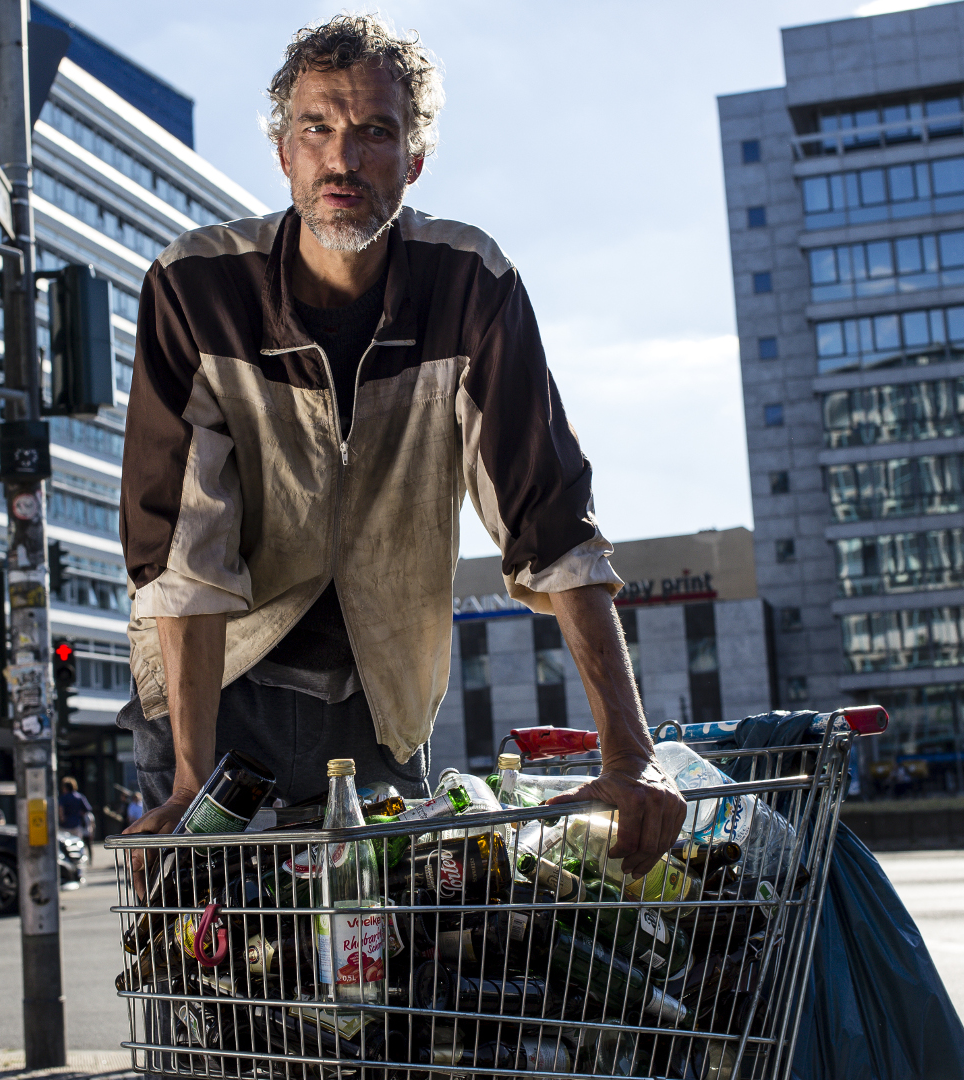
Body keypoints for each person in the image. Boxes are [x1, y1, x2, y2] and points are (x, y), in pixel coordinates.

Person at [118, 14, 682, 876]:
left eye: (375, 132)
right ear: (284, 153)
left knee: (382, 994)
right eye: (317, 129)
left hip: (380, 706)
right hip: (220, 697)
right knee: (221, 992)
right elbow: (180, 548)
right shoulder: (196, 288)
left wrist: (630, 754)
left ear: (414, 160)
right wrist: (194, 775)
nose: (342, 159)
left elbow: (550, 518)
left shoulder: (471, 284)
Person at [59, 777, 94, 862]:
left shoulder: (63, 798)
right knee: (78, 844)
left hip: (65, 825)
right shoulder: (79, 796)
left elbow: (60, 810)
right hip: (76, 825)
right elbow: (87, 809)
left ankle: (68, 861)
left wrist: (62, 818)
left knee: (66, 846)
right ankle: (79, 861)